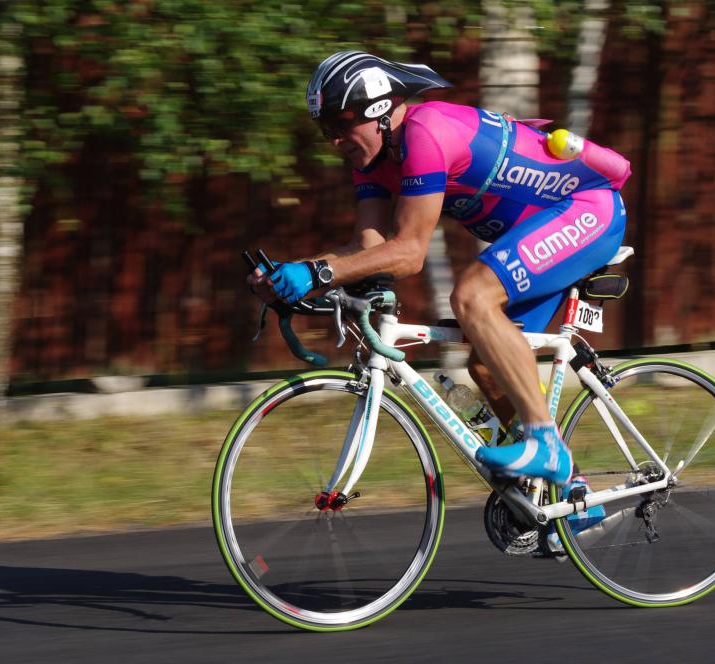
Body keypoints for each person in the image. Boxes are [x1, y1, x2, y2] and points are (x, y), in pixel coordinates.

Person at [250, 51, 631, 486]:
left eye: (340, 125)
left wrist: (316, 275)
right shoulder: (374, 160)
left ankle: (546, 445)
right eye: (325, 130)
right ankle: (570, 495)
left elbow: (408, 253)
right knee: (487, 367)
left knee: (472, 297)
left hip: (588, 211)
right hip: (539, 230)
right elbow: (366, 248)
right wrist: (295, 273)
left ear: (378, 111)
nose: (334, 141)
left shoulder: (426, 133)